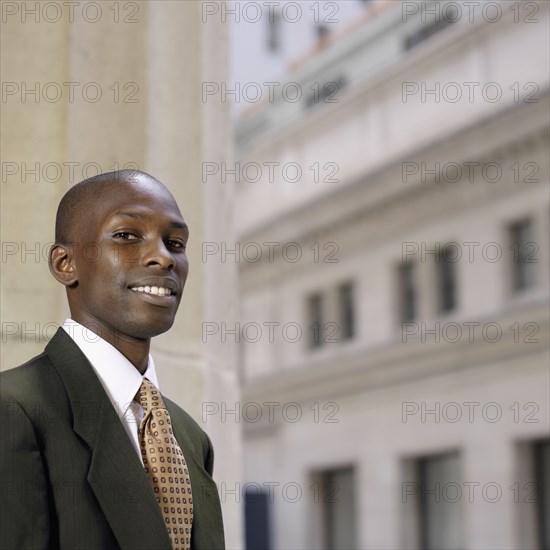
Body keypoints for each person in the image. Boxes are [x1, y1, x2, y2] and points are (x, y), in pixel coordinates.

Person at [0, 170, 225, 549]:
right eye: (126, 236)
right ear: (65, 263)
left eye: (175, 242)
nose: (163, 257)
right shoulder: (13, 409)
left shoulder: (189, 438)